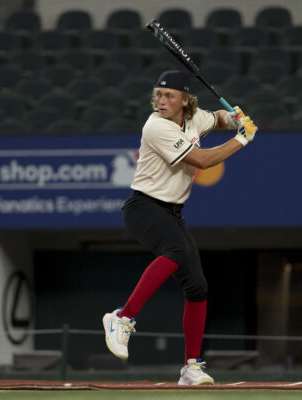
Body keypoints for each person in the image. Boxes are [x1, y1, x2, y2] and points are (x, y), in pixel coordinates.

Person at [102, 70, 257, 385]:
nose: (161, 101)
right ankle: (122, 317)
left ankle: (191, 367)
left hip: (172, 212)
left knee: (197, 286)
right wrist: (242, 138)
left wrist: (234, 117)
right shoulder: (155, 126)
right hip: (143, 207)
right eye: (158, 95)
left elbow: (214, 119)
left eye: (169, 96)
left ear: (185, 100)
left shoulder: (194, 118)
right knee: (175, 250)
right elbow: (200, 160)